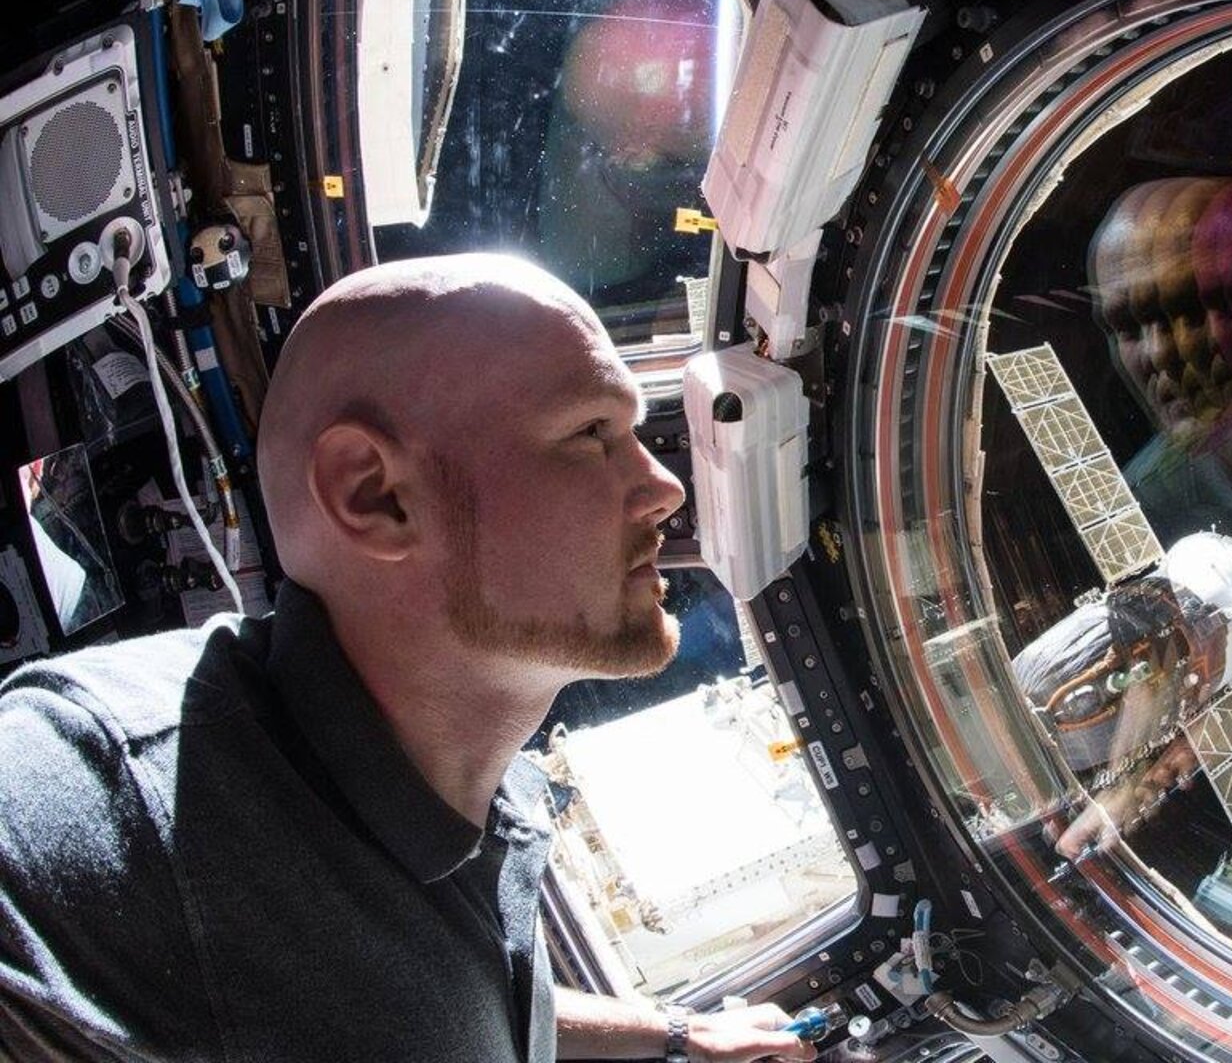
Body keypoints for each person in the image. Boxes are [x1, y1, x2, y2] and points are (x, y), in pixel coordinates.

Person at [0, 254, 815, 1063]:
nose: (662, 488)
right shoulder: (107, 793)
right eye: (590, 434)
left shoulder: (460, 794)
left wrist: (674, 1035)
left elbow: (455, 991)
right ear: (374, 497)